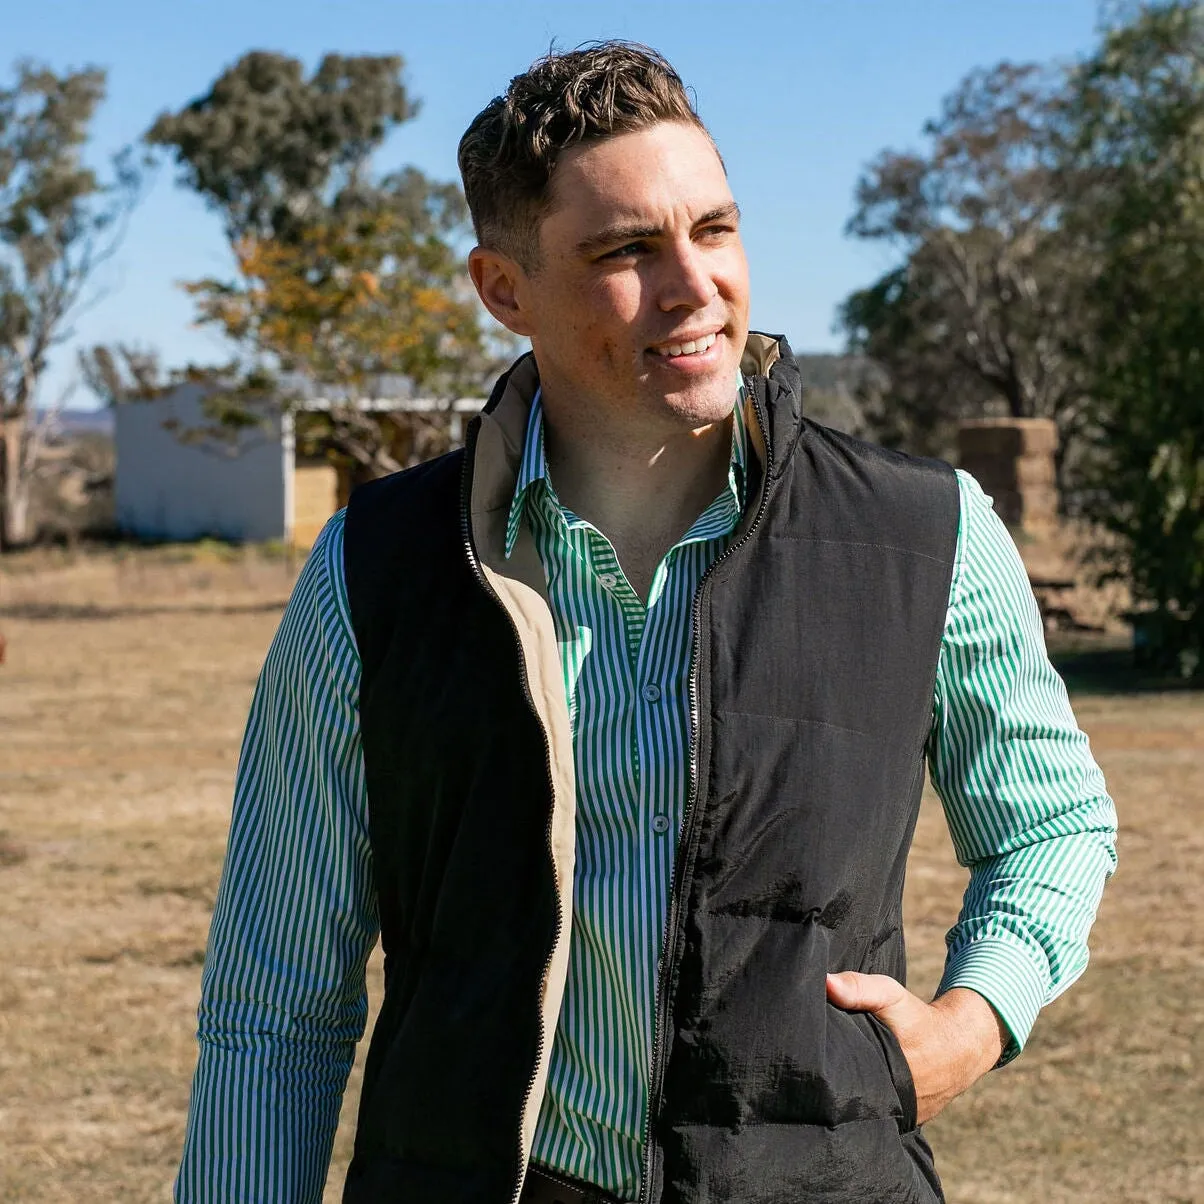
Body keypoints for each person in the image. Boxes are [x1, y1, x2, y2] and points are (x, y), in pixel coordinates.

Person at [175, 42, 1117, 1204]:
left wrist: (974, 1021)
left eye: (713, 229)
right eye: (625, 251)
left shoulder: (927, 533)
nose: (692, 284)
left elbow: (1053, 824)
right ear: (503, 289)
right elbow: (277, 1011)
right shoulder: (374, 567)